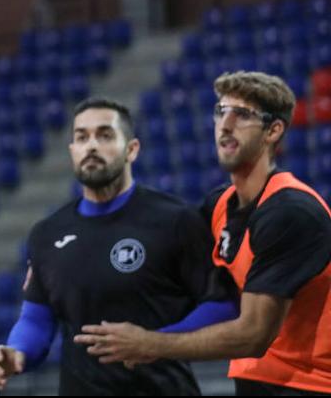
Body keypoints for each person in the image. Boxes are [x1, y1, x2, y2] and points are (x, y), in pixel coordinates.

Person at [75, 71, 331, 395]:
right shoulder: (220, 204)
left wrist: (151, 343)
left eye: (243, 115)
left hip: (310, 384)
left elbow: (253, 335)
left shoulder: (290, 212)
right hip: (260, 381)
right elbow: (159, 256)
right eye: (221, 111)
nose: (225, 124)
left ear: (273, 130)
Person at [0, 98, 225, 395]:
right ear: (72, 151)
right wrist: (17, 353)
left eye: (105, 135)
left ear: (132, 149)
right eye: (81, 137)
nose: (91, 146)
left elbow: (222, 305)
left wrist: (156, 342)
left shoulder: (177, 220)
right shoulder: (47, 233)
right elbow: (37, 317)